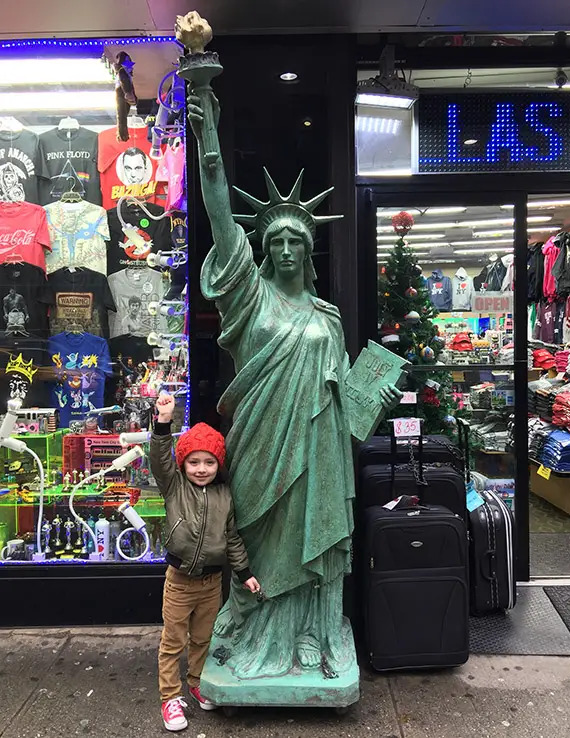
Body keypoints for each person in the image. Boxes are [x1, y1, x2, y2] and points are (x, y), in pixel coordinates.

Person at [186, 87, 401, 680]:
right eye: (274, 240)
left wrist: (371, 403)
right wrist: (209, 141)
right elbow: (220, 219)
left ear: (308, 251)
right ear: (264, 248)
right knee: (254, 536)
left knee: (316, 537)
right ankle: (251, 627)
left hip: (317, 448)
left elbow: (343, 398)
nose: (283, 249)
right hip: (259, 445)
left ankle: (312, 633)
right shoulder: (249, 300)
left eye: (294, 241)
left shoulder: (327, 317)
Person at [150, 391, 260, 732]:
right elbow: (159, 459)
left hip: (212, 583)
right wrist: (163, 422)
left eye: (209, 462)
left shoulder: (224, 495)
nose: (201, 469)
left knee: (202, 638)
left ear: (218, 465)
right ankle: (170, 698)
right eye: (194, 462)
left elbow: (232, 539)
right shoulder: (174, 485)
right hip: (180, 581)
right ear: (183, 464)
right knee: (173, 641)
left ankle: (196, 682)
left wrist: (245, 573)